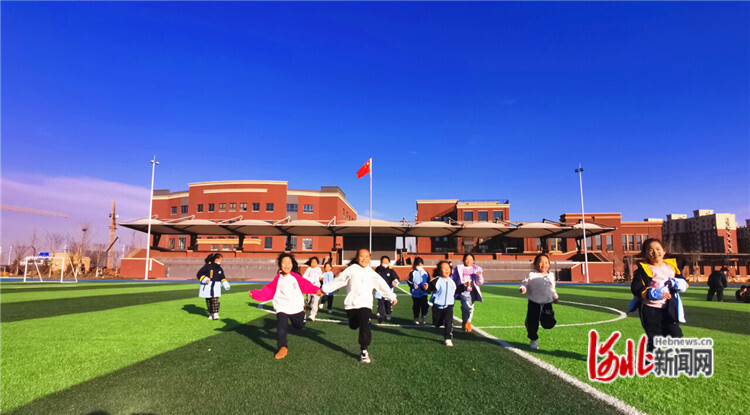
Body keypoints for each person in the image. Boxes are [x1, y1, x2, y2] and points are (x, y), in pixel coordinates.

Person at [321, 249, 398, 364]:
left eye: (367, 256)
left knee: (364, 325)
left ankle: (364, 351)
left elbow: (381, 285)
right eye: (362, 256)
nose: (364, 259)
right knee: (353, 325)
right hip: (351, 304)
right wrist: (324, 289)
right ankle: (354, 322)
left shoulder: (372, 273)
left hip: (365, 304)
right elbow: (339, 280)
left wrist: (392, 297)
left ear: (370, 258)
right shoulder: (351, 270)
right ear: (357, 258)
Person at [249, 253, 323, 359]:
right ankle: (282, 347)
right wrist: (255, 294)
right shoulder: (277, 279)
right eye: (284, 263)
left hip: (296, 307)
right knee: (281, 325)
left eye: (289, 263)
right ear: (280, 265)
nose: (287, 265)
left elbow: (305, 285)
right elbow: (268, 290)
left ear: (292, 264)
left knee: (299, 326)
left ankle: (302, 315)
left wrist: (316, 290)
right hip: (282, 307)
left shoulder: (296, 277)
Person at [628, 238, 688, 352]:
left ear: (664, 251)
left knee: (677, 337)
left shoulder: (672, 267)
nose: (655, 252)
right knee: (655, 341)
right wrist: (655, 294)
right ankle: (650, 361)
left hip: (669, 309)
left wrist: (677, 283)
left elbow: (683, 282)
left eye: (658, 249)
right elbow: (636, 288)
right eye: (650, 250)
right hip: (650, 310)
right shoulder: (643, 270)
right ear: (645, 253)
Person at [519, 254, 559, 350]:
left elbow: (552, 288)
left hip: (547, 303)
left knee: (549, 324)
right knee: (532, 324)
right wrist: (523, 288)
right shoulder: (531, 275)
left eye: (546, 262)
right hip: (534, 302)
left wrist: (555, 296)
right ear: (535, 264)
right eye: (541, 262)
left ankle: (542, 319)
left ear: (549, 264)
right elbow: (524, 284)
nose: (544, 264)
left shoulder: (551, 275)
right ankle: (533, 339)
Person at [451, 253, 484, 332]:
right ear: (463, 260)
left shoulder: (477, 269)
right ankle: (466, 321)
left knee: (470, 308)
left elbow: (480, 282)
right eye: (467, 259)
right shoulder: (459, 268)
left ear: (473, 261)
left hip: (473, 291)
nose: (468, 261)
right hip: (463, 290)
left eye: (470, 259)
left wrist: (479, 276)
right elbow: (454, 277)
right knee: (466, 307)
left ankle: (467, 322)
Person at [428, 261, 457, 347]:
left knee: (449, 322)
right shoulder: (436, 280)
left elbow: (457, 290)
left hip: (449, 305)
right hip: (437, 306)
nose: (447, 270)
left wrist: (464, 287)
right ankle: (438, 323)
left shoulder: (452, 282)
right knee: (437, 323)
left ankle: (448, 338)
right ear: (439, 271)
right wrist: (425, 288)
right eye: (444, 268)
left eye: (448, 268)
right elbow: (429, 289)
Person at [197, 253, 230, 320]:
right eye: (220, 259)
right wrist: (205, 279)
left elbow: (222, 277)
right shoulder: (208, 266)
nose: (221, 260)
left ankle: (215, 313)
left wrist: (225, 284)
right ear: (216, 259)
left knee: (215, 300)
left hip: (216, 287)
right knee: (209, 301)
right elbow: (199, 274)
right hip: (208, 287)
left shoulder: (219, 268)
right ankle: (211, 313)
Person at [374, 256, 400, 323]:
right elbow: (373, 277)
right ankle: (380, 315)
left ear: (389, 262)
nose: (384, 264)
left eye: (386, 262)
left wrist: (395, 282)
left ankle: (388, 313)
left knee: (388, 304)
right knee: (380, 303)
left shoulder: (391, 271)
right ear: (380, 262)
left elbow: (396, 278)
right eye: (383, 262)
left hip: (388, 291)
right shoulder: (378, 269)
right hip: (379, 291)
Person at [407, 257, 430, 325]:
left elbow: (429, 281)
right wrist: (413, 285)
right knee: (416, 306)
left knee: (425, 305)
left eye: (421, 265)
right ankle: (416, 318)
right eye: (418, 265)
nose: (419, 266)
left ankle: (424, 316)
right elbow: (408, 281)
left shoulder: (425, 272)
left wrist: (426, 286)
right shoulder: (412, 272)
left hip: (424, 292)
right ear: (415, 265)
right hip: (415, 293)